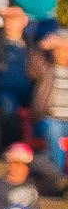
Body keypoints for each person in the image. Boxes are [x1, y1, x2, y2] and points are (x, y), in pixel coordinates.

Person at [0, 8, 36, 152]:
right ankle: (10, 149)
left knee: (46, 106)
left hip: (28, 91)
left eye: (15, 19)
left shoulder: (31, 42)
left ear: (24, 22)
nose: (10, 23)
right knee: (8, 107)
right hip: (2, 91)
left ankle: (39, 149)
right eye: (7, 19)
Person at [35, 28, 68, 169]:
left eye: (65, 50)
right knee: (54, 130)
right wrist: (42, 47)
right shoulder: (45, 69)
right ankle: (57, 172)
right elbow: (33, 64)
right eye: (57, 49)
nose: (61, 53)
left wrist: (60, 41)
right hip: (49, 118)